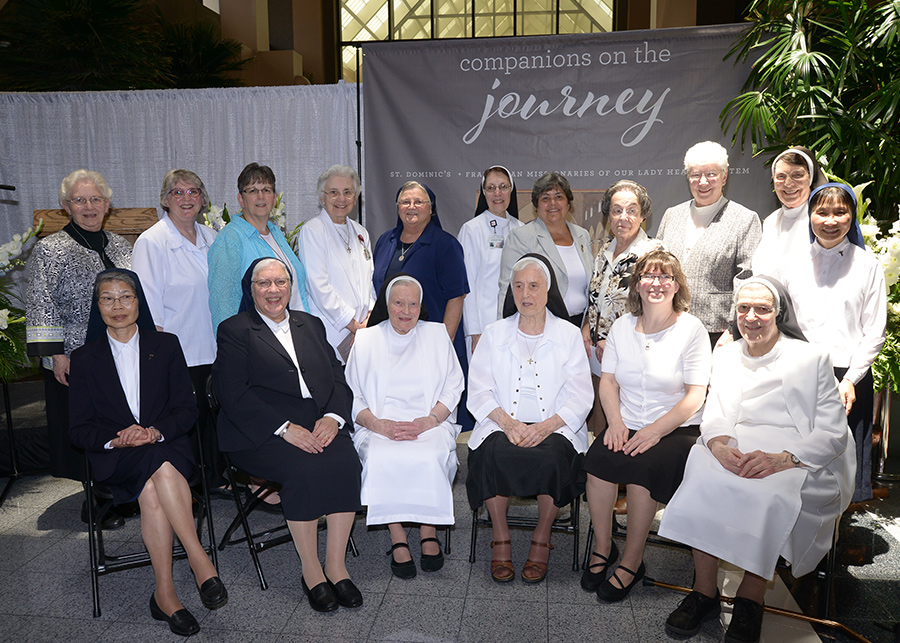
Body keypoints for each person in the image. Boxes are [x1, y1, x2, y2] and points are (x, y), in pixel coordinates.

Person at [658, 277, 855, 643]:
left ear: (779, 314)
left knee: (770, 495)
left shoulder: (811, 358)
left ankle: (750, 599)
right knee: (702, 471)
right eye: (744, 308)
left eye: (762, 309)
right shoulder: (727, 354)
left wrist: (784, 459)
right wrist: (718, 446)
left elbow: (833, 432)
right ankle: (704, 592)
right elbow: (714, 411)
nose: (751, 317)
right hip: (736, 442)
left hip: (793, 454)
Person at [69, 269, 227, 637]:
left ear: (139, 301)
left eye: (125, 296)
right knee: (155, 479)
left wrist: (154, 432)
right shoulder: (85, 358)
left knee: (155, 485)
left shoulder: (167, 345)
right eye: (107, 298)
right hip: (118, 456)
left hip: (165, 443)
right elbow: (78, 429)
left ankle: (166, 595)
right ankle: (198, 560)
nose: (118, 306)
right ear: (98, 307)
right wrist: (117, 438)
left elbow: (186, 411)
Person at [212, 257, 363, 613]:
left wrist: (333, 416)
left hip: (316, 420)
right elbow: (232, 394)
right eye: (264, 284)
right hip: (259, 430)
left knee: (346, 463)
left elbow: (337, 375)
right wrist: (284, 429)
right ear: (251, 290)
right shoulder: (235, 330)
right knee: (303, 470)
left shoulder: (309, 323)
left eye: (280, 282)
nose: (273, 290)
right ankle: (311, 572)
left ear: (290, 287)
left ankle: (336, 566)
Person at [581, 250, 710, 601]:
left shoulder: (691, 329)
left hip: (675, 429)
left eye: (665, 276)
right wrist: (616, 423)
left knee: (642, 472)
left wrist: (654, 431)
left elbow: (695, 395)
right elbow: (608, 383)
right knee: (598, 467)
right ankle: (603, 548)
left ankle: (632, 562)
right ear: (637, 284)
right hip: (626, 421)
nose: (656, 283)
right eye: (648, 276)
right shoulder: (623, 326)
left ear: (677, 284)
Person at [466, 254, 592, 584]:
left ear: (547, 291)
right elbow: (478, 390)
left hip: (554, 425)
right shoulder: (494, 333)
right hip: (501, 422)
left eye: (534, 286)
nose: (526, 294)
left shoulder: (567, 335)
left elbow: (581, 395)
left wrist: (545, 427)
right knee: (492, 455)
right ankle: (501, 536)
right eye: (519, 286)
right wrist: (508, 424)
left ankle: (541, 537)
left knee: (552, 460)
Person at [25, 169, 132, 524]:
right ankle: (97, 498)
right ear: (66, 206)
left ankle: (121, 488)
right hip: (73, 354)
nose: (89, 206)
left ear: (107, 204)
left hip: (120, 350)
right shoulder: (50, 248)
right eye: (80, 200)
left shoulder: (120, 245)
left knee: (118, 418)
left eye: (95, 199)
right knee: (86, 425)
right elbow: (41, 301)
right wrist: (56, 356)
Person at [345, 275, 464, 578]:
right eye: (399, 303)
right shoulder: (367, 339)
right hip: (380, 423)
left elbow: (453, 386)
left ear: (421, 306)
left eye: (413, 304)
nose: (406, 310)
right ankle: (397, 535)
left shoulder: (437, 335)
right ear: (387, 304)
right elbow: (353, 395)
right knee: (382, 456)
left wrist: (430, 420)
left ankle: (428, 529)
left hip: (429, 421)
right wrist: (378, 424)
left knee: (429, 455)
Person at [779, 183, 886, 502]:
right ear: (810, 216)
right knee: (793, 465)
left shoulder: (868, 265)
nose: (830, 220)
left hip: (847, 379)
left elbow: (875, 331)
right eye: (821, 212)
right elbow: (783, 322)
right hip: (799, 373)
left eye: (840, 212)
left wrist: (851, 379)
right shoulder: (792, 262)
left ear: (851, 218)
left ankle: (834, 542)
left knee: (840, 473)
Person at [133, 169, 225, 494]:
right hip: (178, 349)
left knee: (214, 419)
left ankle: (216, 479)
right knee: (188, 420)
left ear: (202, 198)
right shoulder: (152, 242)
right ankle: (189, 485)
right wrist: (157, 355)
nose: (186, 198)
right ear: (165, 199)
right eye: (178, 192)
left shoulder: (214, 237)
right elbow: (148, 301)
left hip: (214, 345)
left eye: (193, 192)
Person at [372, 181, 471, 427]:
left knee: (431, 413)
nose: (411, 207)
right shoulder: (385, 241)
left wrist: (442, 346)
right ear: (397, 208)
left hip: (433, 345)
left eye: (419, 202)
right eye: (405, 202)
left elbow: (456, 298)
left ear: (431, 208)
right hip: (393, 344)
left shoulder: (446, 245)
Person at [656, 141, 761, 346]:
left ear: (724, 176)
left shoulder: (745, 219)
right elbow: (657, 266)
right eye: (695, 175)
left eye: (711, 174)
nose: (703, 182)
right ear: (688, 178)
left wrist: (734, 329)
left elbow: (747, 278)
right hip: (668, 325)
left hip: (717, 332)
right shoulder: (672, 215)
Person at [582, 180, 664, 433]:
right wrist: (586, 327)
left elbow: (656, 311)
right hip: (598, 356)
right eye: (616, 210)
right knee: (600, 427)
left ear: (643, 215)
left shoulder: (653, 253)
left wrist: (616, 341)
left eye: (631, 210)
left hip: (631, 355)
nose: (623, 217)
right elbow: (596, 298)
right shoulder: (605, 248)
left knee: (625, 429)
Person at [207, 163, 309, 333]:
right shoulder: (230, 239)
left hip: (293, 334)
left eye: (266, 190)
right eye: (253, 190)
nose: (260, 196)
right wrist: (231, 347)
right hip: (258, 341)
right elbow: (222, 304)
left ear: (274, 198)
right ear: (241, 199)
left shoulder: (275, 232)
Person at [298, 165, 374, 363]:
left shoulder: (361, 233)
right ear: (322, 198)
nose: (342, 199)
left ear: (356, 198)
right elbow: (318, 286)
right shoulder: (313, 230)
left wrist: (368, 320)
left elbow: (370, 282)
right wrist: (353, 324)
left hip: (363, 333)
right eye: (334, 193)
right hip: (332, 332)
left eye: (348, 192)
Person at [498, 172, 593, 326]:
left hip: (580, 327)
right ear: (536, 205)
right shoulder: (521, 237)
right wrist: (504, 331)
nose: (553, 203)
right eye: (545, 198)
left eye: (559, 197)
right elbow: (507, 289)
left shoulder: (582, 235)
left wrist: (588, 325)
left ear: (569, 203)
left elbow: (591, 289)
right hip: (539, 327)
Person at [458, 165, 523, 352]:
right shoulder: (472, 230)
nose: (497, 193)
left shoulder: (521, 228)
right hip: (483, 327)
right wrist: (474, 331)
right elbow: (467, 284)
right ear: (483, 193)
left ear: (512, 190)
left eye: (503, 187)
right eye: (491, 188)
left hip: (516, 324)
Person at [751, 146, 827, 276]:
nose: (788, 183)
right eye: (781, 176)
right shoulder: (771, 221)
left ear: (810, 178)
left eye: (797, 175)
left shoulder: (823, 220)